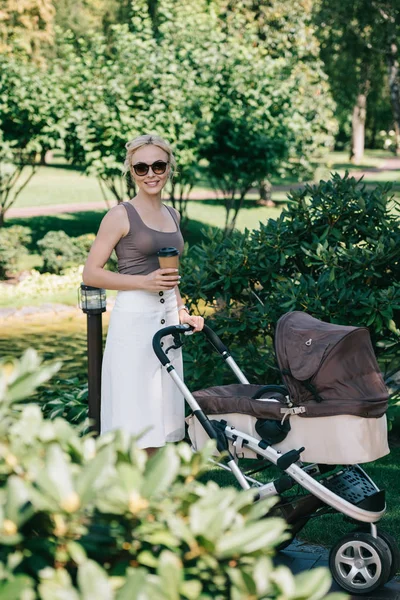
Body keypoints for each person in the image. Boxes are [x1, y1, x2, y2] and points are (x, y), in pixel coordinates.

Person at [82, 134, 204, 455]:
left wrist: (182, 310)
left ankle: (152, 493)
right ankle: (133, 494)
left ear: (169, 169)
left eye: (158, 165)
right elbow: (91, 272)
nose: (151, 173)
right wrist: (143, 283)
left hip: (166, 321)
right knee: (136, 412)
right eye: (141, 167)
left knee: (162, 411)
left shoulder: (173, 214)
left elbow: (169, 274)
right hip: (134, 319)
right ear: (131, 172)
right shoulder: (120, 215)